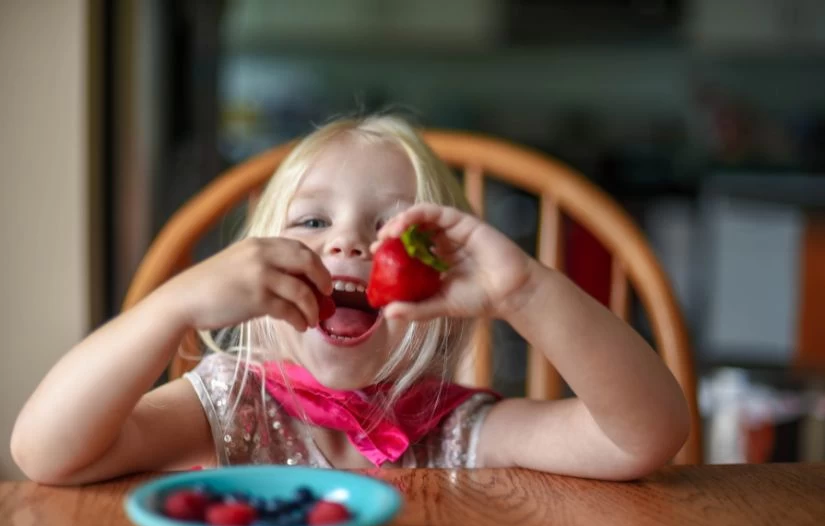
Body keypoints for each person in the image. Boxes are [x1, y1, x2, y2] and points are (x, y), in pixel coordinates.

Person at [11, 115, 689, 485]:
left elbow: (641, 439)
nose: (346, 246)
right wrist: (173, 306)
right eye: (311, 223)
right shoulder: (228, 405)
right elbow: (44, 454)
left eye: (388, 229)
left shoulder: (457, 431)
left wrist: (525, 290)